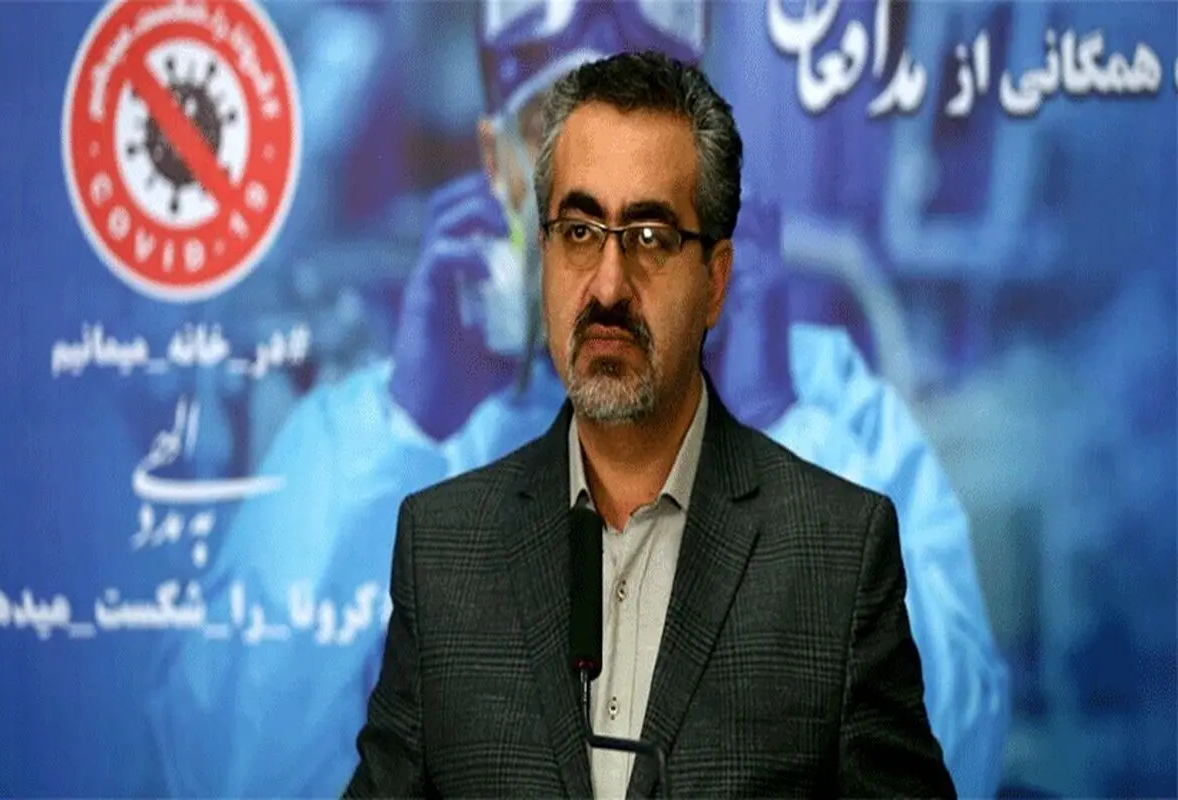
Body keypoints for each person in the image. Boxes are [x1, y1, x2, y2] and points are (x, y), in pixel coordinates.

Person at [153, 3, 1007, 797]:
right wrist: (402, 427)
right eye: (555, 146)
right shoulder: (371, 445)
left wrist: (774, 427)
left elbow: (953, 759)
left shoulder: (826, 409)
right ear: (498, 170)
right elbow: (232, 773)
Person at [343, 50, 955, 797]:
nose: (607, 287)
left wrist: (773, 412)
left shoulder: (838, 551)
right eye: (578, 232)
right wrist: (407, 418)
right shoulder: (443, 549)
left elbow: (967, 737)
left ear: (717, 281)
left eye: (650, 238)